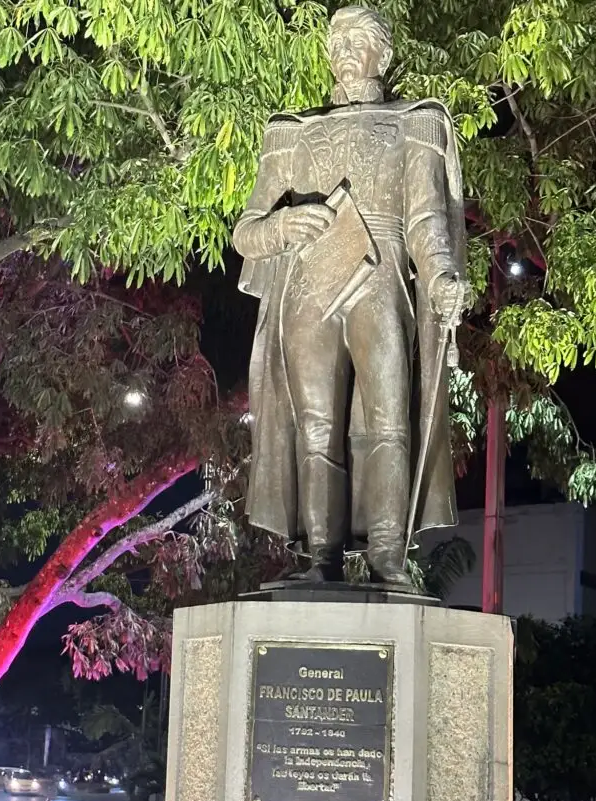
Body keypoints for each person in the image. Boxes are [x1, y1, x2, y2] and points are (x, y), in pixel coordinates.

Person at [233, 6, 471, 587]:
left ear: (383, 55)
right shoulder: (291, 131)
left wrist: (441, 277)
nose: (342, 49)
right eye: (335, 40)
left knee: (390, 421)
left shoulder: (415, 122)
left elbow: (427, 219)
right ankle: (321, 558)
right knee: (315, 427)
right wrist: (284, 226)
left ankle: (389, 557)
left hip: (382, 276)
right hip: (309, 284)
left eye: (356, 39)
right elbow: (246, 231)